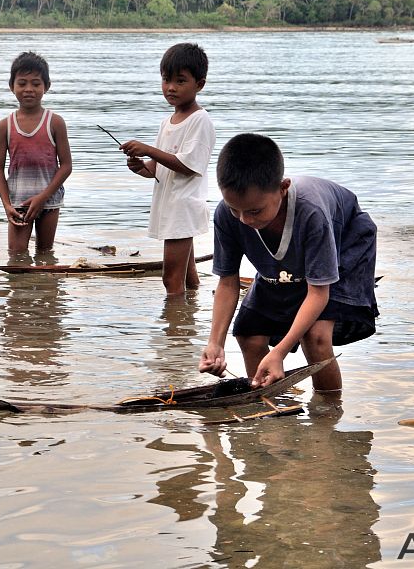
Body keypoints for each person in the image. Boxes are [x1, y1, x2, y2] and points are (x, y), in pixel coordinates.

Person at [198, 134, 378, 392]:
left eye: (255, 211)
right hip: (288, 261)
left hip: (346, 242)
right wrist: (215, 343)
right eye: (234, 209)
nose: (244, 220)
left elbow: (318, 292)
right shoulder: (228, 216)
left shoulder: (311, 213)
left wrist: (280, 351)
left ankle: (328, 416)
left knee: (315, 336)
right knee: (248, 333)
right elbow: (227, 282)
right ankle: (268, 404)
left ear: (283, 188)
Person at [119, 42, 215, 296]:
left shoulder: (200, 121)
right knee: (188, 276)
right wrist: (139, 166)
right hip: (170, 207)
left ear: (199, 84)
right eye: (166, 80)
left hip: (183, 208)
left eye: (180, 81)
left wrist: (149, 150)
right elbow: (157, 169)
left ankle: (175, 331)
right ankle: (190, 316)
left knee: (171, 280)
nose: (171, 87)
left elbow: (188, 166)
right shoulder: (167, 122)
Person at [0, 51, 73, 256]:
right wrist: (6, 204)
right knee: (16, 254)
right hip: (18, 202)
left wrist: (43, 197)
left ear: (46, 86)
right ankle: (22, 288)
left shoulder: (55, 122)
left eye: (36, 84)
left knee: (45, 253)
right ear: (12, 86)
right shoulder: (5, 126)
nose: (29, 89)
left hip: (49, 200)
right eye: (22, 83)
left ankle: (46, 288)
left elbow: (66, 166)